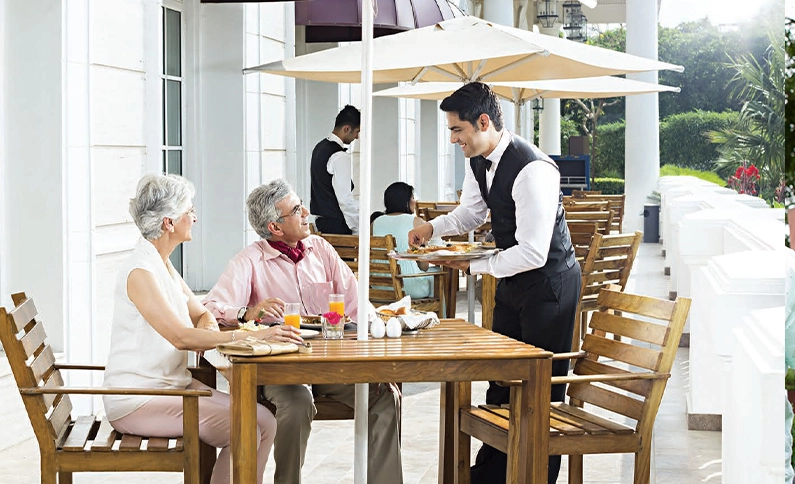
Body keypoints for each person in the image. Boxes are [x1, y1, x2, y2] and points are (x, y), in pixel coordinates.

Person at [408, 82, 581, 484]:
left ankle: (535, 476)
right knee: (500, 380)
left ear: (483, 122)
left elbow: (534, 252)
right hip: (513, 283)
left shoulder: (533, 169)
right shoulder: (479, 159)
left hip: (549, 287)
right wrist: (431, 228)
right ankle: (492, 475)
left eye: (457, 130)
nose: (453, 139)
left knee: (541, 393)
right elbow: (471, 213)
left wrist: (475, 265)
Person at [103, 174, 301, 484]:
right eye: (189, 211)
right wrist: (252, 334)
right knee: (247, 428)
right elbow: (181, 337)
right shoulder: (141, 272)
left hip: (170, 387)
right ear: (169, 222)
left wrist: (207, 328)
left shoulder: (162, 263)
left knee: (265, 421)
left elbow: (200, 313)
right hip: (139, 399)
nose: (194, 217)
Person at [203, 179, 403, 484]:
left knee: (385, 393)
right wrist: (246, 312)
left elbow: (354, 300)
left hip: (331, 365)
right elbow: (211, 307)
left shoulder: (321, 249)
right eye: (297, 209)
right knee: (297, 403)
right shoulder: (250, 260)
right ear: (275, 227)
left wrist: (381, 323)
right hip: (283, 371)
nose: (307, 212)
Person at [371, 181, 438, 299]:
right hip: (409, 288)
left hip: (379, 287)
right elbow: (424, 266)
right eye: (412, 197)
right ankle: (442, 316)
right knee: (437, 273)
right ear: (405, 201)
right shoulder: (416, 222)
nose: (415, 201)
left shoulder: (374, 223)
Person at [310, 104, 361, 235]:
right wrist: (357, 229)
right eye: (357, 132)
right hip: (337, 226)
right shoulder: (339, 156)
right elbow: (344, 199)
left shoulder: (318, 148)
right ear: (347, 128)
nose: (357, 137)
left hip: (320, 223)